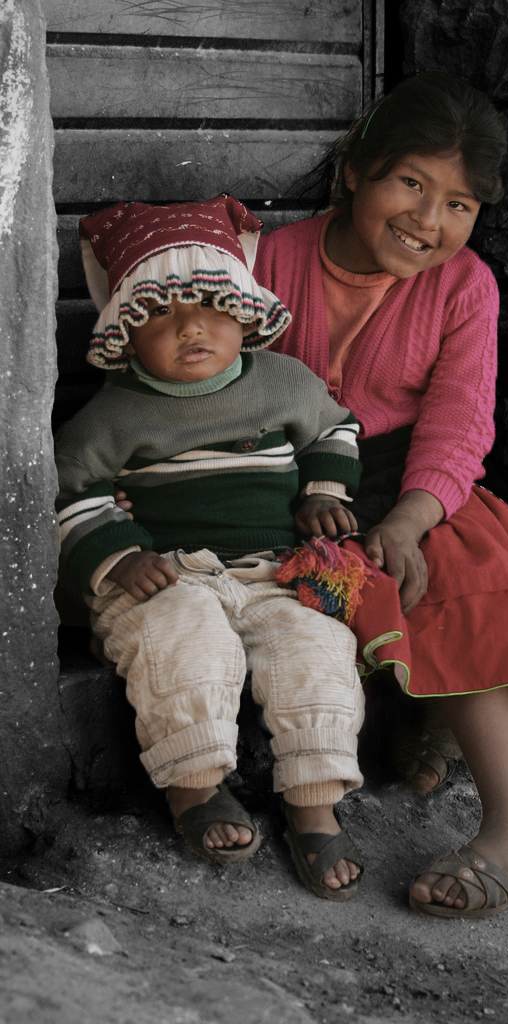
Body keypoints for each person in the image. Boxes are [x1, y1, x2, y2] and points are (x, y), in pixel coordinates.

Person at [249, 71, 508, 919]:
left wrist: (408, 517)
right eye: (410, 183)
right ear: (357, 168)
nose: (428, 220)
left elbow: (459, 427)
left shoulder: (464, 286)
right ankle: (417, 721)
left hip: (412, 481)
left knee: (459, 565)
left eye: (458, 204)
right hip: (287, 476)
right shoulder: (269, 262)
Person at [55, 194, 367, 902]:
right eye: (160, 312)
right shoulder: (109, 415)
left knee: (313, 650)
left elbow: (335, 431)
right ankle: (194, 790)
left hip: (273, 572)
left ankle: (312, 806)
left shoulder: (286, 383)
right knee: (184, 643)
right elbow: (70, 489)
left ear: (246, 313)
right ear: (126, 330)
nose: (190, 326)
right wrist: (120, 552)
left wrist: (324, 492)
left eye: (210, 306)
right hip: (169, 577)